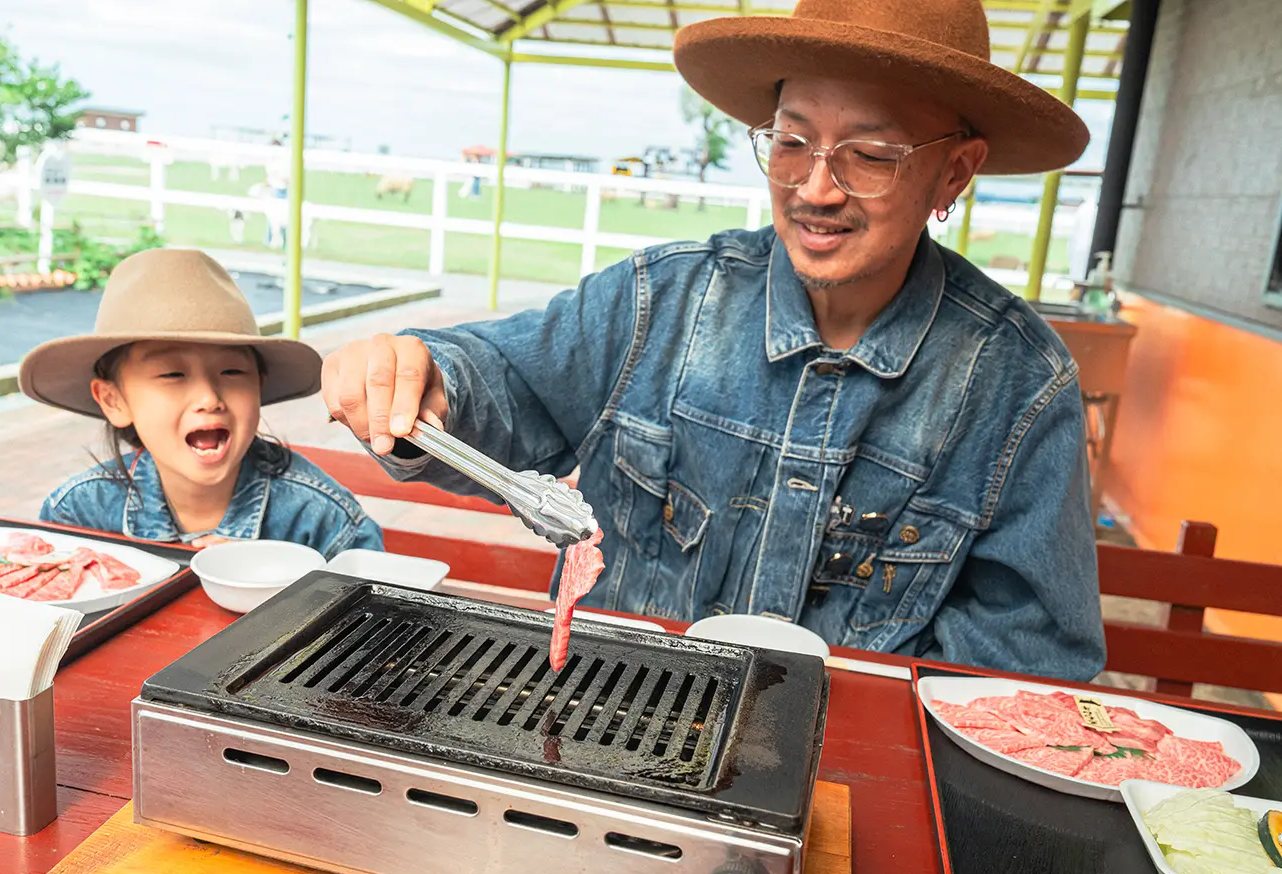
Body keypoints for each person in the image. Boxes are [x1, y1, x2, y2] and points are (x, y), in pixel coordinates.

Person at [320, 0, 1106, 680]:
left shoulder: (1016, 385)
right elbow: (504, 382)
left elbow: (1020, 663)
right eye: (793, 142)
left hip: (838, 781)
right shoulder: (660, 302)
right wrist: (425, 371)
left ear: (956, 173)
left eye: (870, 155)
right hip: (606, 720)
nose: (816, 188)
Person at [20, 248, 383, 558]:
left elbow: (379, 626)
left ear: (259, 386)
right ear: (113, 401)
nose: (210, 398)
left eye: (231, 371)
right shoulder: (79, 513)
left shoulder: (322, 518)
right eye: (172, 375)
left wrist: (285, 588)